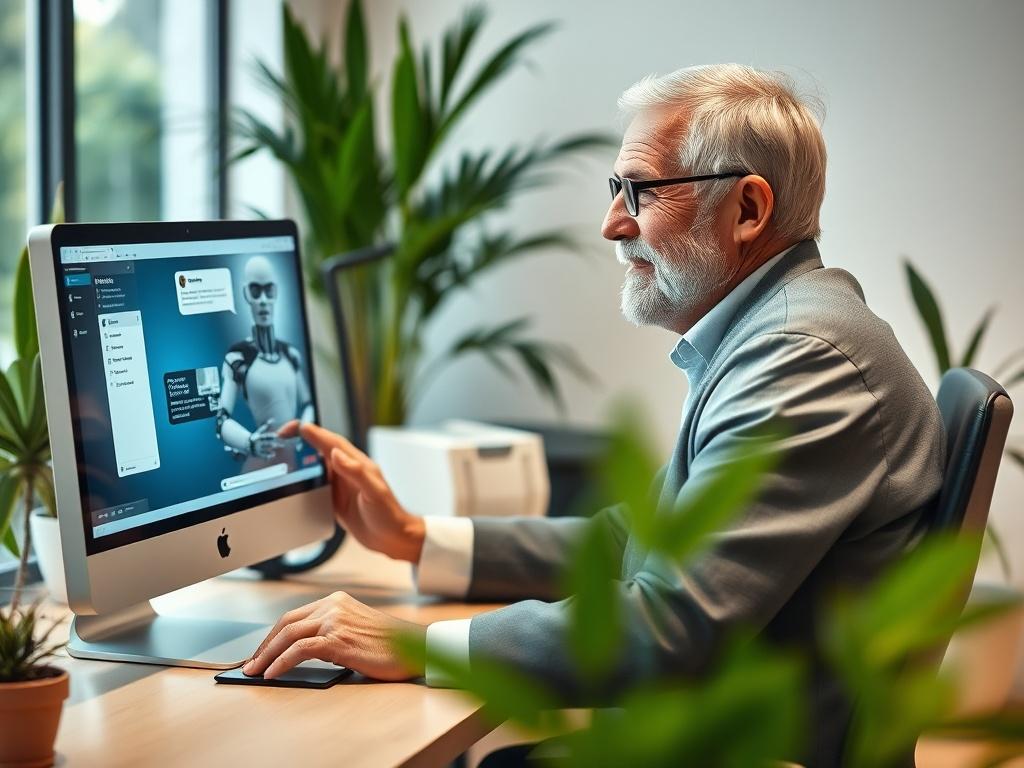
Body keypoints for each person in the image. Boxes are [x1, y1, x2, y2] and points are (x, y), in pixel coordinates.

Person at [243, 64, 944, 766]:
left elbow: (673, 627)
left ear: (748, 210)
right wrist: (416, 537)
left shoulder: (801, 356)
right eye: (616, 190)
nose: (612, 224)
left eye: (639, 191)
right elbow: (633, 542)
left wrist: (413, 644)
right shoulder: (778, 331)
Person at [216, 255, 314, 469]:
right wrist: (249, 442)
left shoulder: (290, 354)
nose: (262, 300)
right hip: (260, 467)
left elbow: (308, 403)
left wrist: (304, 429)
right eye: (255, 291)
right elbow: (221, 420)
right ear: (246, 294)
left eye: (268, 290)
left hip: (291, 467)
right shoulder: (238, 357)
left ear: (276, 293)